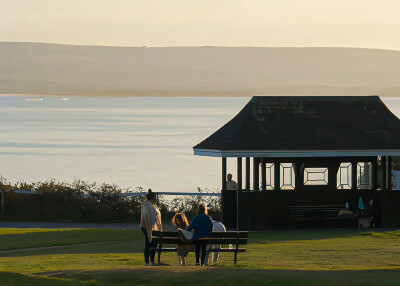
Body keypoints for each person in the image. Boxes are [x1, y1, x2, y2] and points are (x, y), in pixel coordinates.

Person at [140, 189, 162, 266]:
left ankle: (152, 260)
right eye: (155, 197)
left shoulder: (153, 206)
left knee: (153, 244)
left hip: (153, 228)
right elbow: (146, 215)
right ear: (153, 198)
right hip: (146, 227)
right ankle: (147, 261)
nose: (156, 199)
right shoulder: (147, 205)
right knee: (148, 243)